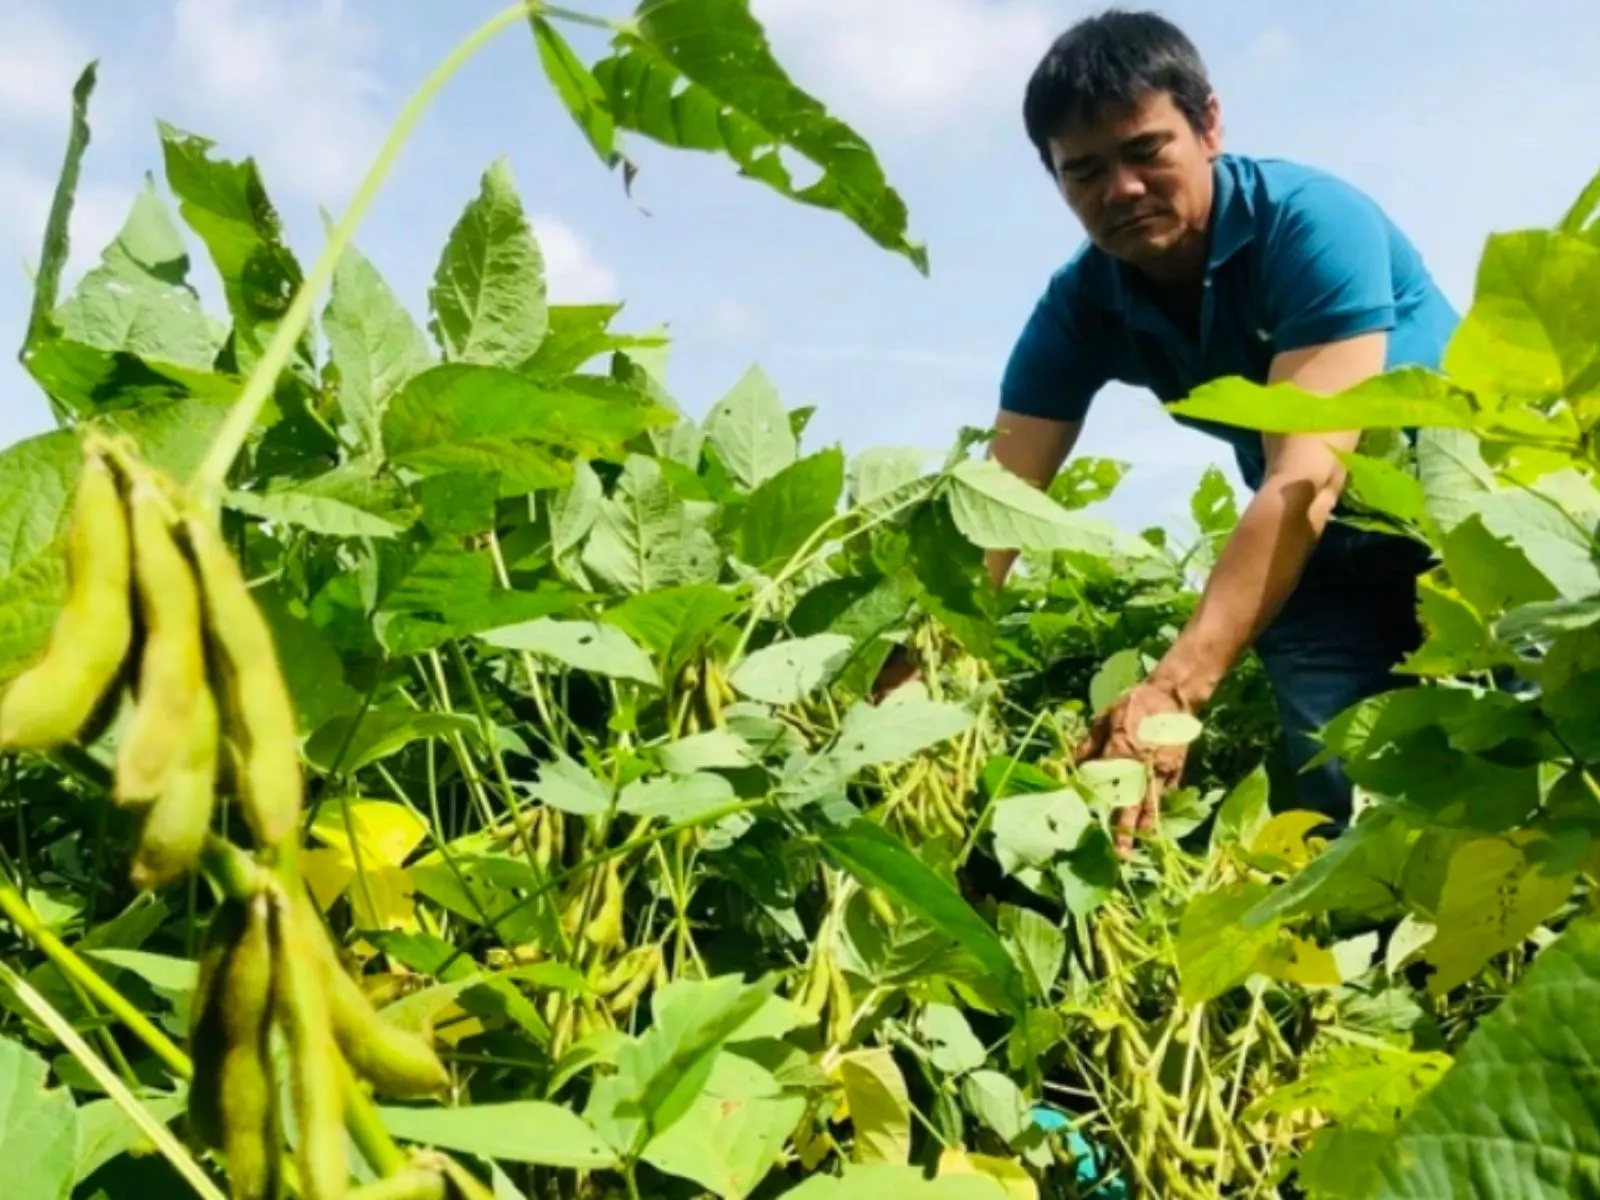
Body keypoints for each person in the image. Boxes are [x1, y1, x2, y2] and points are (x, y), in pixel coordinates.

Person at [881, 10, 1454, 856]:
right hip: (1313, 565)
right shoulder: (1078, 309)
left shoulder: (1311, 225)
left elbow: (1307, 478)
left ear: (1209, 124)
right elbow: (992, 515)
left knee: (1526, 745)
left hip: (1454, 521)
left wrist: (1174, 691)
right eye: (1084, 171)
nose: (1119, 189)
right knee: (1350, 795)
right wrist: (902, 682)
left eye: (1145, 151)